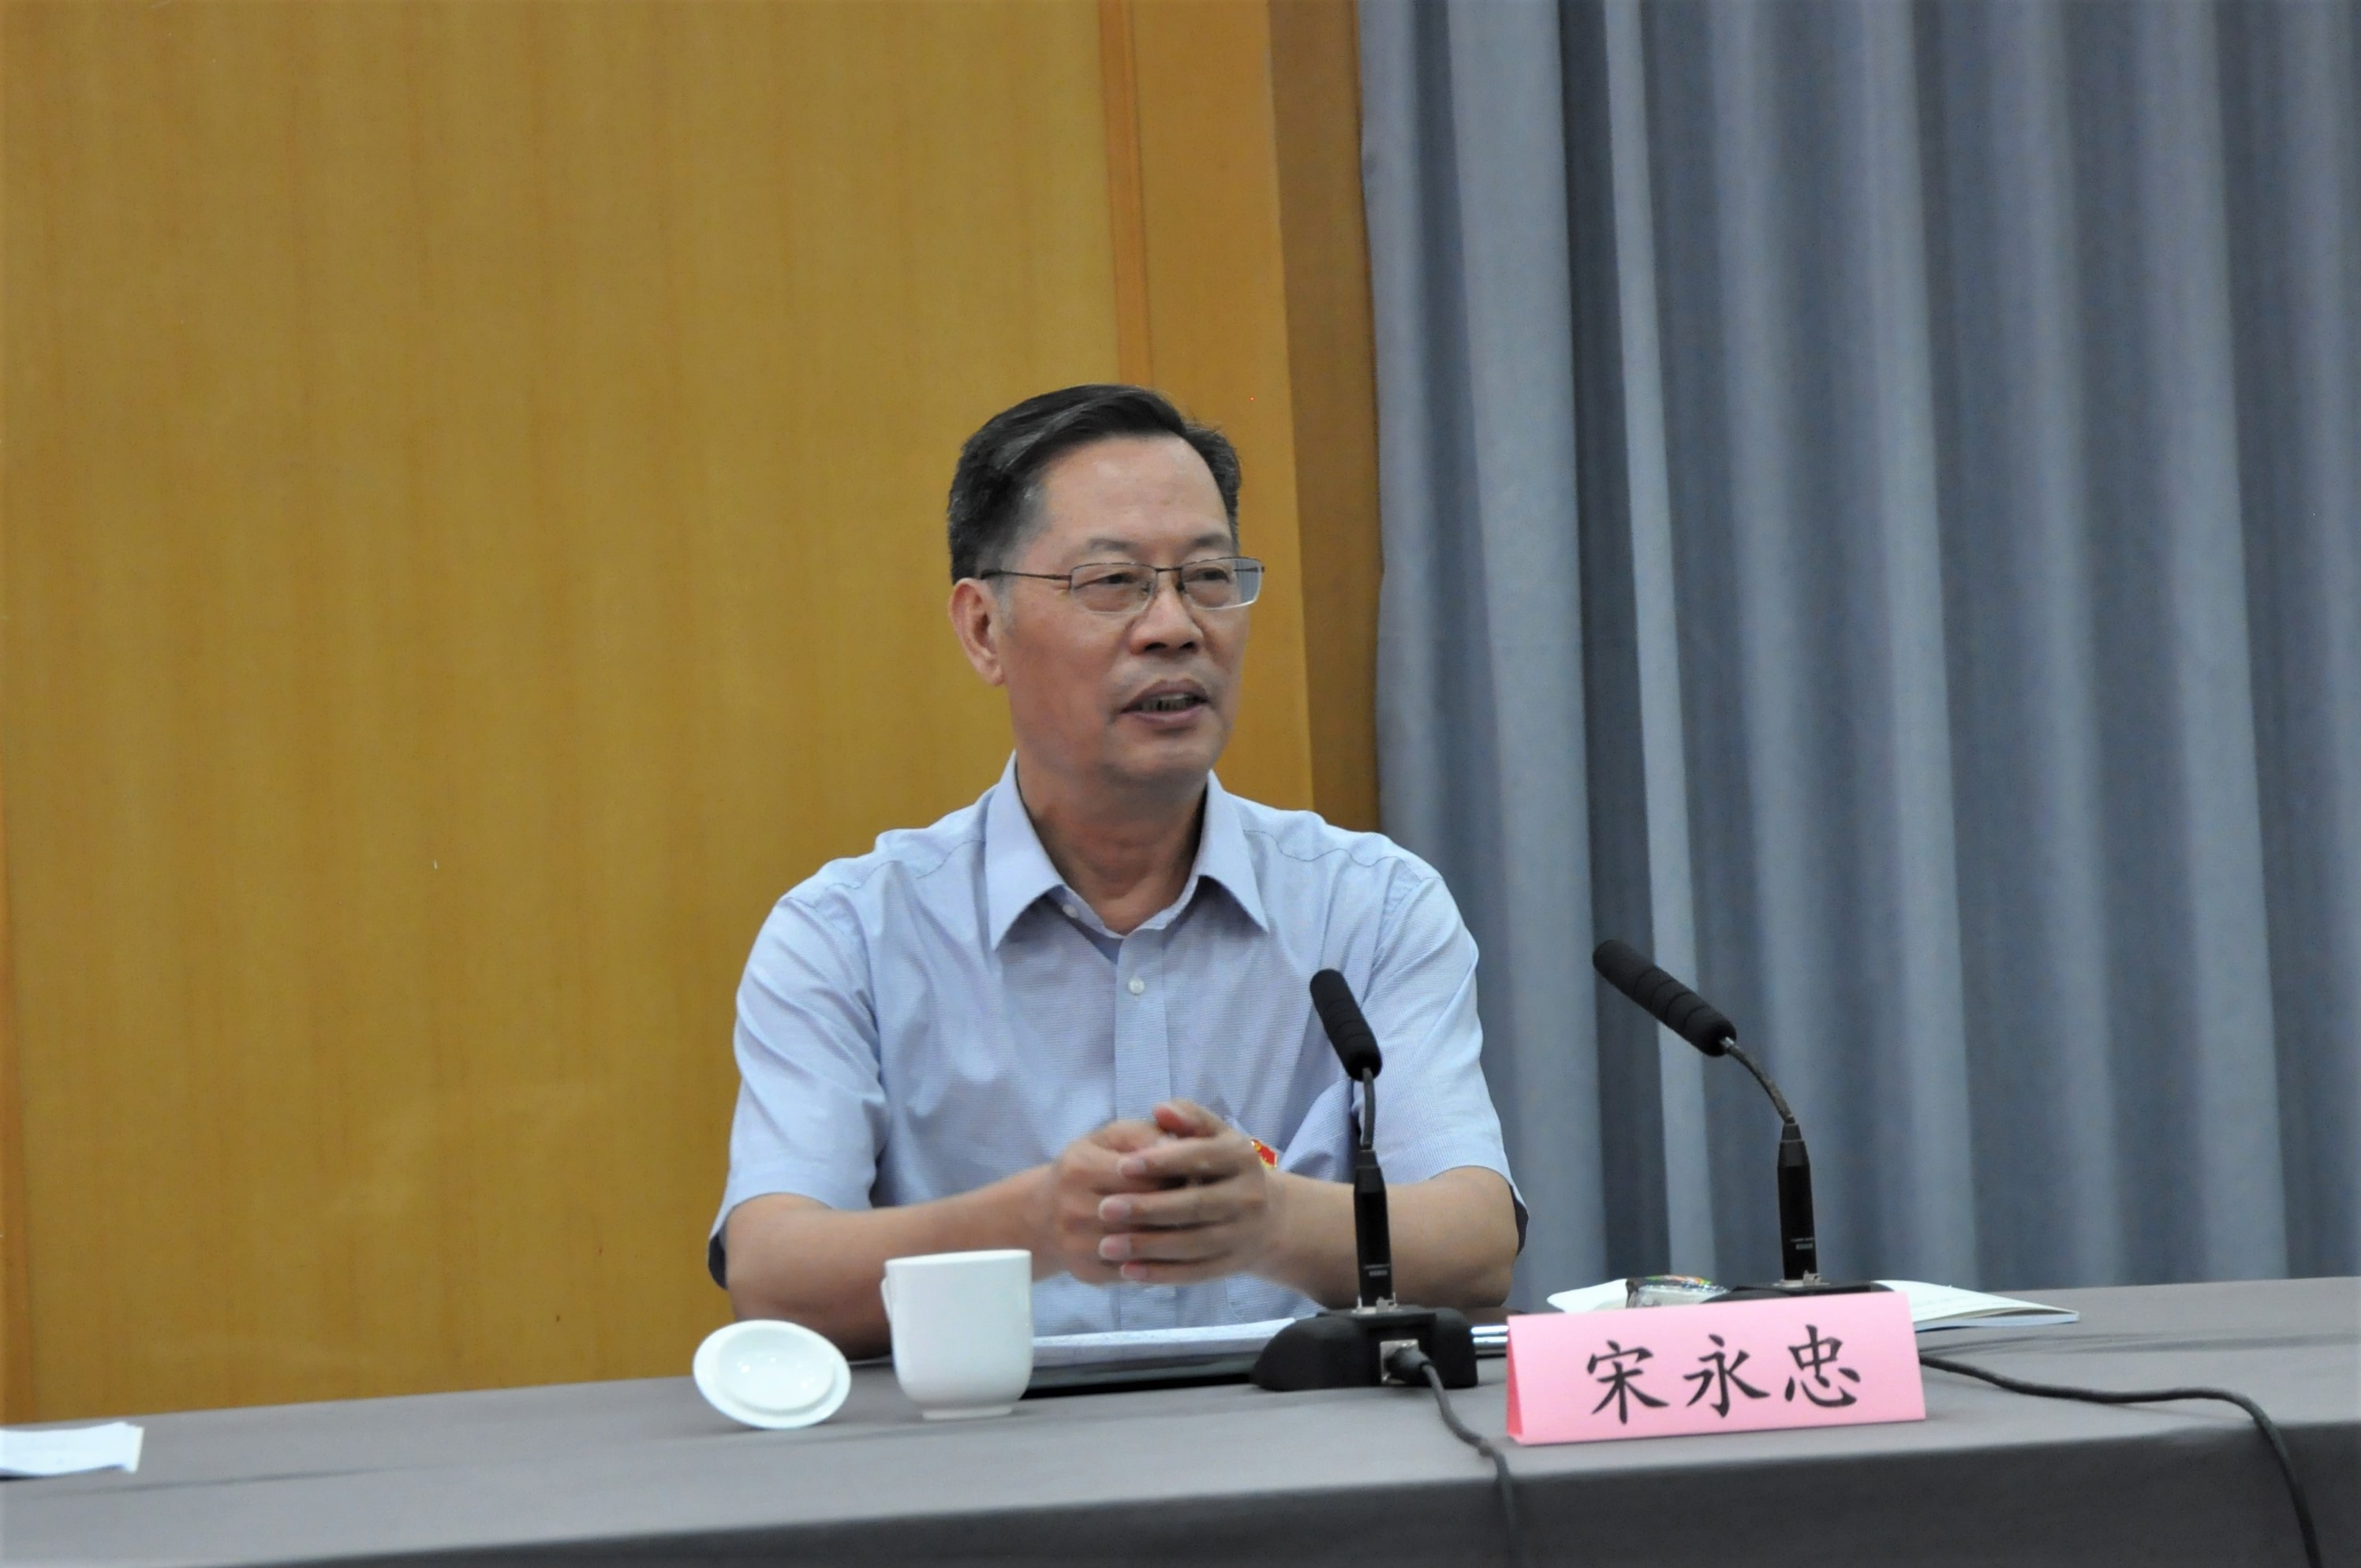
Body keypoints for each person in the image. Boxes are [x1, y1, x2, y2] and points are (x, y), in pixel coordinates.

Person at [714, 384, 1521, 1357]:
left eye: (1208, 577)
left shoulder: (1371, 903)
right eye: (1113, 582)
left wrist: (1267, 1219)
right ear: (983, 629)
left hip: (1298, 1436)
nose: (1173, 625)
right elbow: (774, 1274)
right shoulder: (850, 932)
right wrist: (1037, 1222)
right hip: (984, 1444)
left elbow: (1475, 1242)